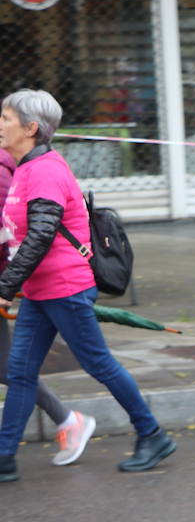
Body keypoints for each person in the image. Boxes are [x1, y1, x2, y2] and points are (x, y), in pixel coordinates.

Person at [0, 89, 176, 482]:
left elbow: (42, 232)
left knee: (99, 364)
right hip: (40, 290)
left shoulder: (44, 170)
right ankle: (4, 456)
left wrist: (5, 285)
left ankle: (152, 434)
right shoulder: (25, 167)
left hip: (64, 287)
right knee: (21, 371)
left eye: (6, 118)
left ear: (31, 128)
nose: (0, 124)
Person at [0, 148, 96, 466]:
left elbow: (15, 235)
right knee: (12, 368)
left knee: (15, 368)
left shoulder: (9, 172)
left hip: (52, 284)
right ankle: (66, 422)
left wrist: (7, 285)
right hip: (23, 283)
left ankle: (148, 430)